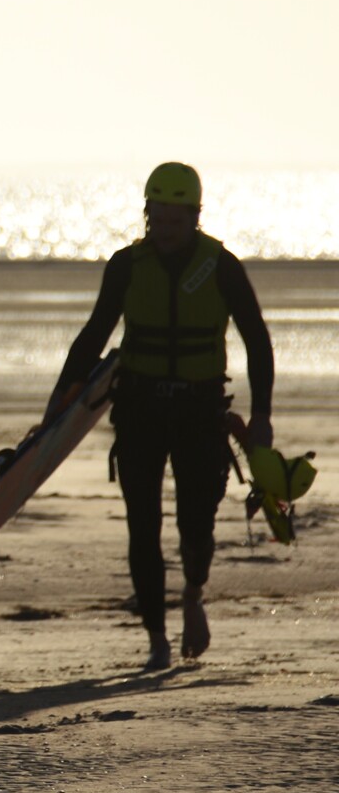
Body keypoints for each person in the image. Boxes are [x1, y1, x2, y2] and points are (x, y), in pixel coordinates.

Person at [48, 162, 273, 671]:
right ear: (146, 214)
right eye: (158, 218)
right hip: (140, 409)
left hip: (199, 411)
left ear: (195, 217)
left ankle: (193, 594)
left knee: (197, 525)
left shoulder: (221, 266)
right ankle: (156, 639)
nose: (165, 230)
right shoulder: (127, 265)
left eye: (175, 220)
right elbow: (93, 334)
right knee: (142, 526)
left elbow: (257, 341)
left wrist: (261, 417)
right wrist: (60, 400)